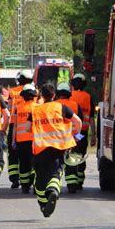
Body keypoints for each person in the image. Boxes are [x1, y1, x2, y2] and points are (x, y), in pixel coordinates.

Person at [29, 84, 82, 217]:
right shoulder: (61, 107)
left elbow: (28, 128)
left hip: (40, 149)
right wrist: (75, 134)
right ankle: (53, 190)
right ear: (54, 95)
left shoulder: (35, 110)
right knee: (56, 173)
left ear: (41, 95)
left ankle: (43, 205)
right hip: (58, 148)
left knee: (40, 180)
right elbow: (78, 121)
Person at [7, 69, 34, 189]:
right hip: (32, 128)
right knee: (32, 154)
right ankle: (31, 177)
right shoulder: (35, 91)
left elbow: (9, 107)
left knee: (13, 153)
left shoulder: (12, 91)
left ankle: (14, 178)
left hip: (15, 124)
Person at [70, 73, 96, 189]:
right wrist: (94, 135)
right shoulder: (88, 97)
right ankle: (79, 180)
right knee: (81, 154)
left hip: (69, 133)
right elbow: (91, 118)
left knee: (71, 154)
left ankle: (72, 178)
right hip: (82, 134)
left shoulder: (68, 96)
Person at [12, 83, 37, 193]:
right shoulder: (37, 108)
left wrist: (13, 140)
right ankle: (35, 182)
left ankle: (25, 186)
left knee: (23, 163)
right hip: (34, 141)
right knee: (35, 163)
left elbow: (15, 125)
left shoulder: (19, 108)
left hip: (21, 140)